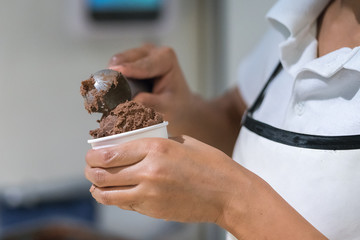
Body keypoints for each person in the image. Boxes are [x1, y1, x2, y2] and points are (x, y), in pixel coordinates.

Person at [84, 0, 360, 239]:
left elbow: (228, 195)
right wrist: (182, 113)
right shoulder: (303, 16)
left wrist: (229, 202)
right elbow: (236, 119)